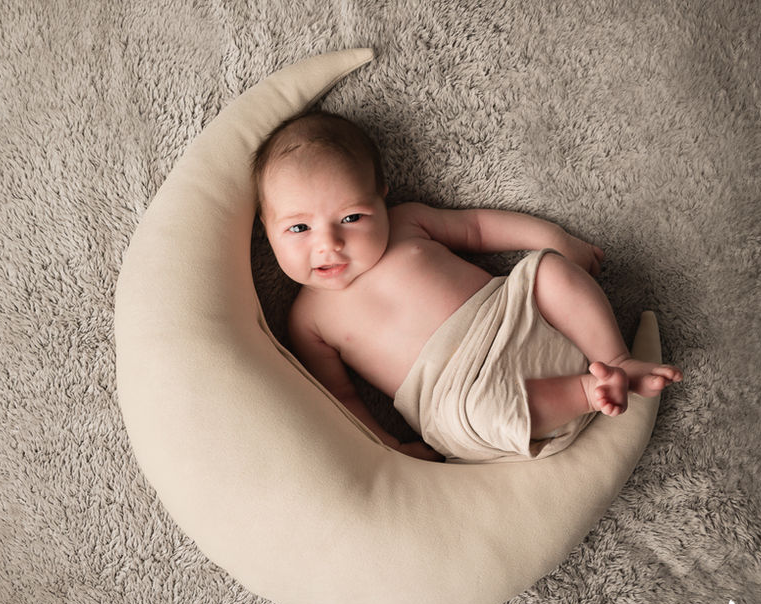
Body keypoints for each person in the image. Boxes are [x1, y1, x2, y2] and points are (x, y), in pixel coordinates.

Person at [252, 111, 682, 462]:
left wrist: (552, 237)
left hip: (513, 317)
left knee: (547, 269)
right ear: (267, 230)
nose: (329, 244)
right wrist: (392, 446)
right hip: (462, 397)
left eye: (351, 218)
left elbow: (476, 228)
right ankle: (590, 392)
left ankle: (617, 360)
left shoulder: (406, 223)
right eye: (299, 228)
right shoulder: (307, 318)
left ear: (381, 197)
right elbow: (341, 398)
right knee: (472, 417)